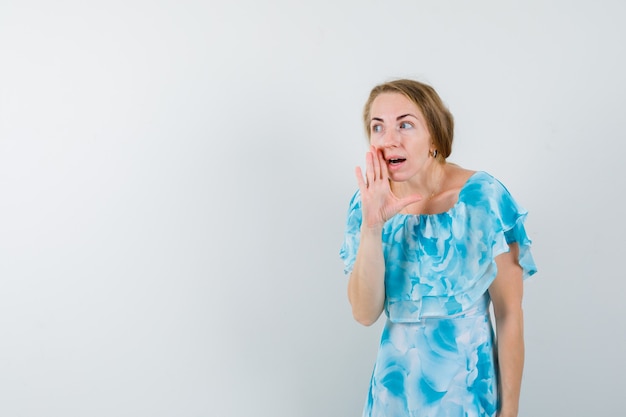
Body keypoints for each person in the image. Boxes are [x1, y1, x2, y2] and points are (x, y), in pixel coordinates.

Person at [339, 79, 537, 417]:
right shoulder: (367, 202)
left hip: (469, 397)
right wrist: (372, 228)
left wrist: (510, 411)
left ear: (434, 135)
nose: (389, 140)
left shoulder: (484, 200)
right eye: (378, 127)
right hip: (393, 399)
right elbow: (364, 313)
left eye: (405, 124)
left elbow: (509, 315)